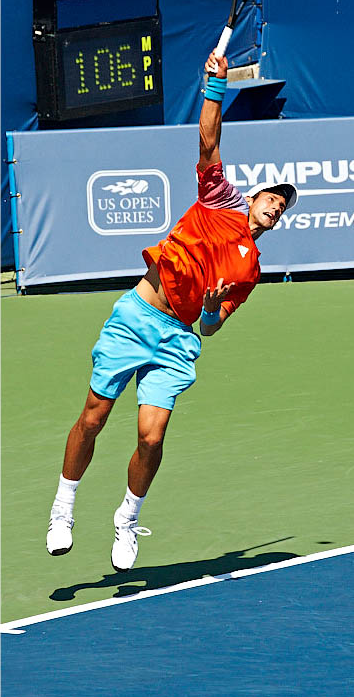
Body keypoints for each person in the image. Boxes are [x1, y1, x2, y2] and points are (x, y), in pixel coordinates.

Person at [46, 48, 299, 572]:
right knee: (93, 417)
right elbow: (208, 141)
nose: (276, 206)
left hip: (178, 339)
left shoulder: (251, 270)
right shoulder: (219, 199)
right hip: (138, 315)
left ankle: (127, 518)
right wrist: (215, 86)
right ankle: (63, 507)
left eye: (282, 208)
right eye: (273, 197)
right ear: (253, 196)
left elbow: (212, 327)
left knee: (152, 436)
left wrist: (209, 310)